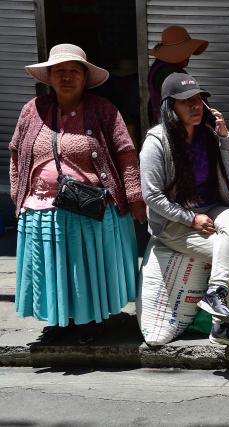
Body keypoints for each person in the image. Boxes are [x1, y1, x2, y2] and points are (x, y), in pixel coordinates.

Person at [10, 44, 147, 344]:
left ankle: (90, 322)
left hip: (90, 208)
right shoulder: (32, 111)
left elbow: (126, 153)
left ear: (85, 77)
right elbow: (17, 153)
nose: (67, 77)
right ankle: (60, 322)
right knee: (51, 269)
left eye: (74, 71)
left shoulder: (103, 110)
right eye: (60, 71)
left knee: (84, 270)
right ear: (49, 77)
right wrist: (17, 195)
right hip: (40, 208)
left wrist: (135, 197)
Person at [140, 72, 229, 346]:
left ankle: (215, 292)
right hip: (174, 223)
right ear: (171, 107)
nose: (194, 106)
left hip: (212, 207)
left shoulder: (208, 134)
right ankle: (222, 326)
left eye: (198, 100)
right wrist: (190, 219)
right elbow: (152, 195)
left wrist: (225, 136)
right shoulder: (157, 142)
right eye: (186, 102)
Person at [147, 25, 208, 125]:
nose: (189, 56)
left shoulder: (160, 67)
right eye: (185, 52)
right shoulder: (167, 73)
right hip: (176, 131)